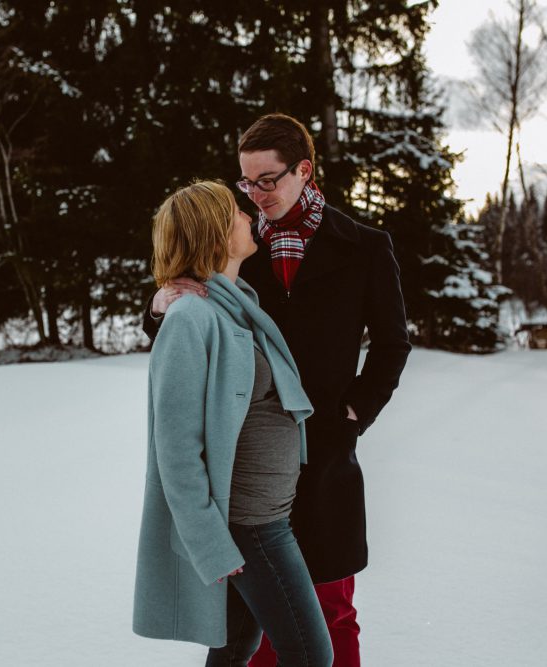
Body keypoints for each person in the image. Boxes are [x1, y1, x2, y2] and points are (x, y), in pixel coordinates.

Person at [143, 114, 411, 666]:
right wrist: (159, 303)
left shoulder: (362, 247)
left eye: (267, 179)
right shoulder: (233, 246)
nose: (255, 193)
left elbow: (392, 344)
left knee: (329, 606)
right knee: (260, 617)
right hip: (245, 463)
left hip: (327, 454)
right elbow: (186, 330)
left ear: (303, 171)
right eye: (246, 181)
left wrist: (354, 414)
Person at [132, 180, 333, 666]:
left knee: (234, 649)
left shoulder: (234, 303)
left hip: (267, 515)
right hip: (249, 524)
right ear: (217, 234)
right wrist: (210, 544)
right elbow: (175, 450)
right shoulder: (191, 318)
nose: (249, 216)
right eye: (237, 212)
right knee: (311, 655)